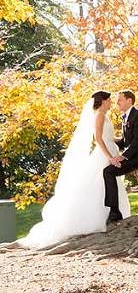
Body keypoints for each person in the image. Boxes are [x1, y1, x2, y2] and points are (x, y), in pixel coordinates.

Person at [15, 91, 131, 249]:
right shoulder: (99, 115)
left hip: (111, 152)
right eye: (110, 100)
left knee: (108, 185)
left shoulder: (105, 115)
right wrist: (110, 157)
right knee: (98, 185)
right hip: (104, 155)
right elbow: (98, 139)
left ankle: (112, 215)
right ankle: (97, 219)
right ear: (103, 101)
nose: (112, 102)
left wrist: (125, 138)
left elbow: (109, 137)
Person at [103, 89, 138, 222]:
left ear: (129, 101)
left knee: (108, 172)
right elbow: (126, 142)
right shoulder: (124, 117)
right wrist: (110, 140)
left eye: (120, 100)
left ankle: (114, 212)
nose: (117, 103)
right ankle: (114, 211)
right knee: (108, 171)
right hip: (132, 155)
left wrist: (123, 156)